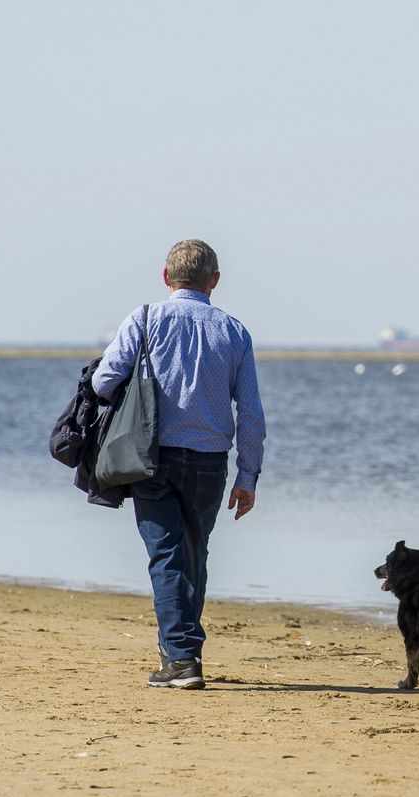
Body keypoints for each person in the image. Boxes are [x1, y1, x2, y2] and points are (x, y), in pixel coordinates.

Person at [93, 239, 265, 689]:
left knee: (167, 556)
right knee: (192, 554)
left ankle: (182, 658)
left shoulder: (145, 318)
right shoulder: (234, 332)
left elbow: (104, 380)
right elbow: (250, 414)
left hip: (152, 454)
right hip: (210, 461)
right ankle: (182, 650)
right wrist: (248, 475)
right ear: (214, 280)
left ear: (166, 277)